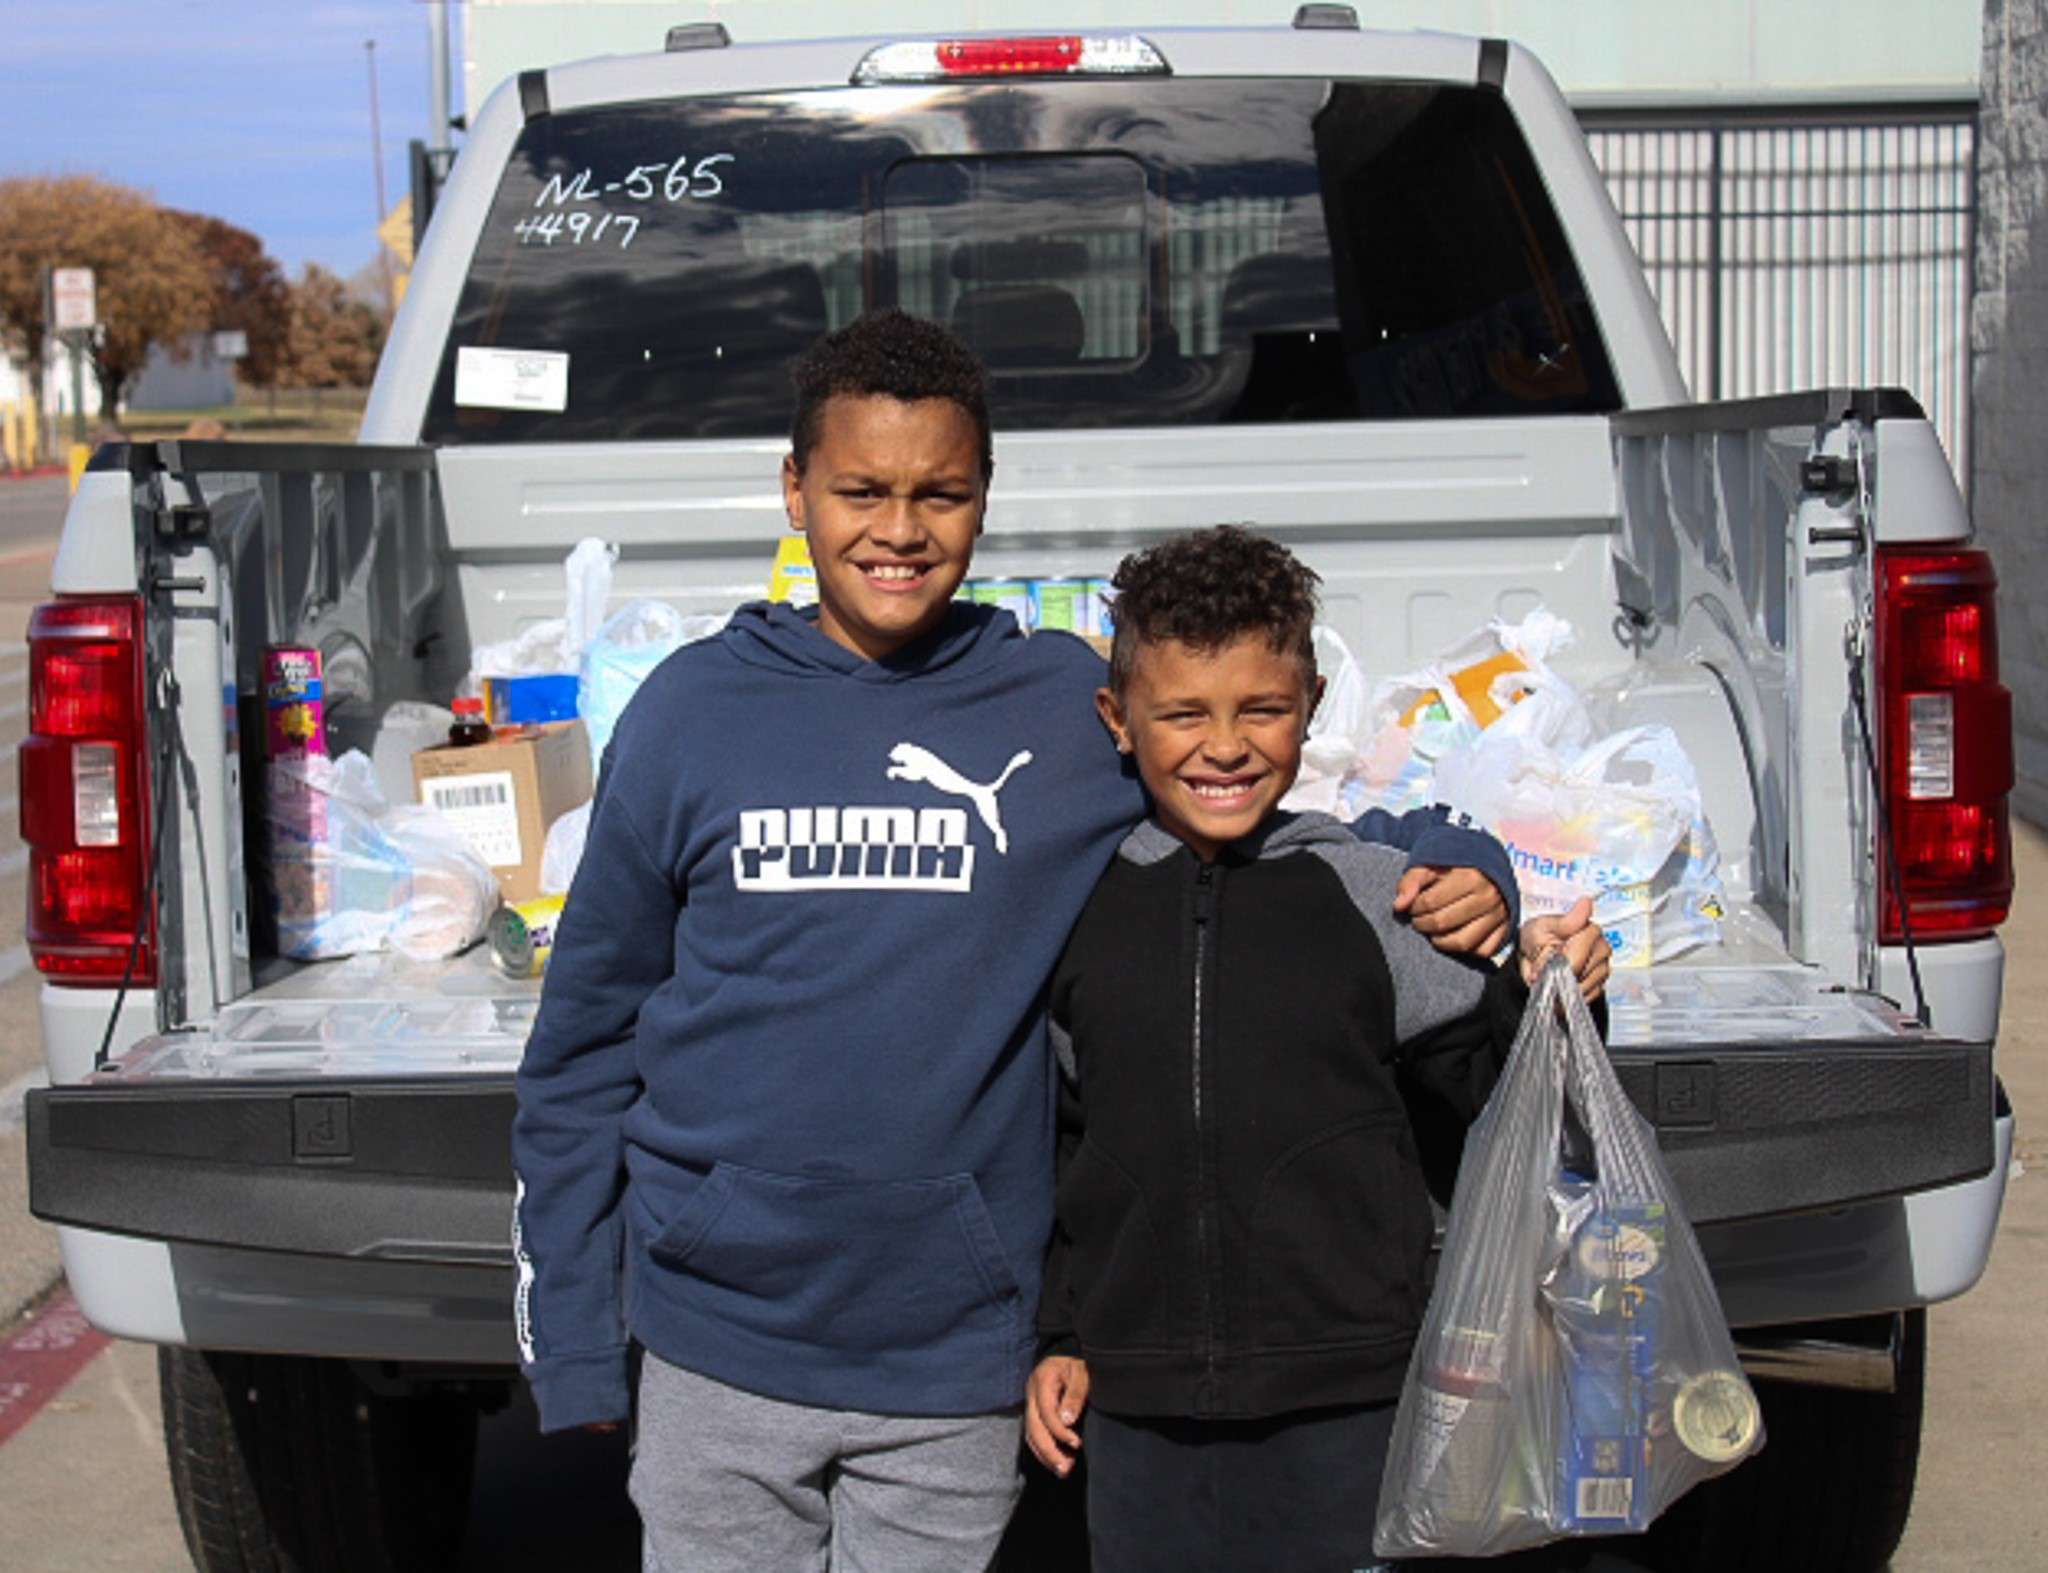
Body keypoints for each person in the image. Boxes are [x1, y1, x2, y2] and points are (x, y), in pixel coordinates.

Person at [510, 311, 1523, 1573]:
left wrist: (1469, 867)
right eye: (858, 490)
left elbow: (1269, 795)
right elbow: (586, 1042)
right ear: (792, 491)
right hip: (721, 1333)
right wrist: (571, 1331)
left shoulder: (1056, 703)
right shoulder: (689, 717)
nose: (898, 528)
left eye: (939, 493)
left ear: (984, 497)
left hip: (954, 1353)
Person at [1023, 526, 1611, 1573]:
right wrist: (1061, 1335)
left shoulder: (1373, 898)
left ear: (1307, 710)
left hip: (1350, 1396)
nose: (1224, 745)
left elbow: (1495, 1092)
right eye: (1182, 714)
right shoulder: (1082, 911)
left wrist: (1542, 992)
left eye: (1261, 708)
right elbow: (1067, 1141)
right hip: (1139, 1400)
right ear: (1119, 721)